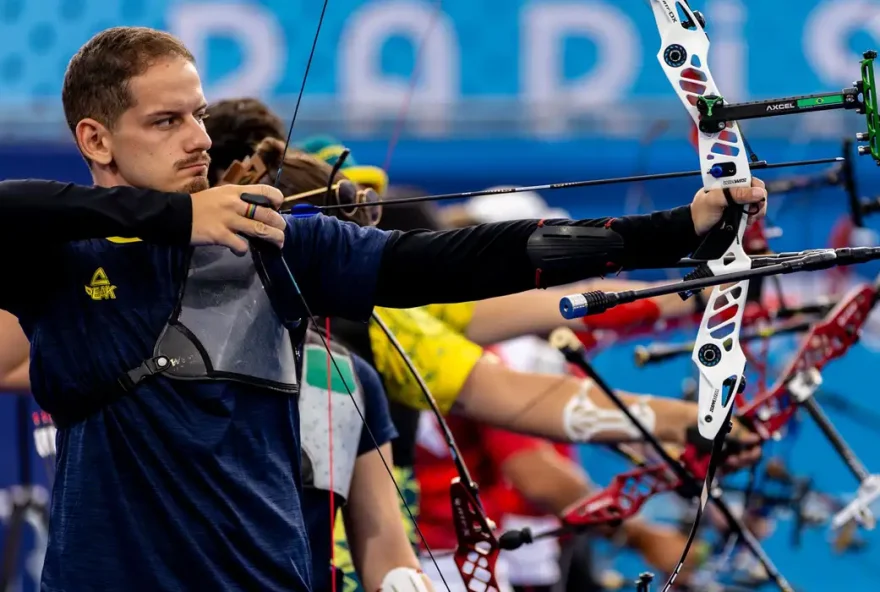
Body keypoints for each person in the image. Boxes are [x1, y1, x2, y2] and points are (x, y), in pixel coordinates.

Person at [0, 27, 762, 590]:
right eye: (166, 122)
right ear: (95, 139)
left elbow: (465, 260)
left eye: (197, 115)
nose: (197, 140)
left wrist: (676, 230)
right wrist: (175, 221)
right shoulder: (60, 262)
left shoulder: (281, 245)